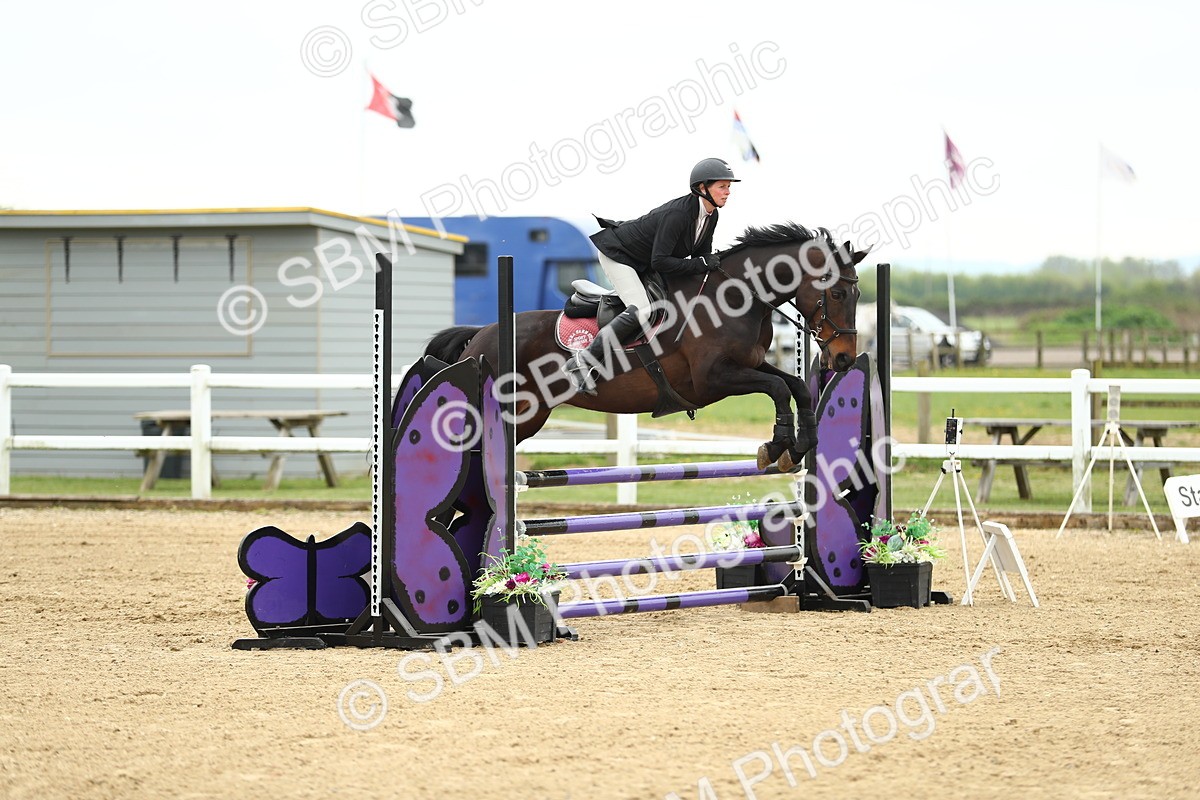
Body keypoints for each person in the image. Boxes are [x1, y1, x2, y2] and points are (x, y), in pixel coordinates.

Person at [563, 157, 738, 395]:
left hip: (644, 261)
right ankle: (583, 361)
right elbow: (661, 261)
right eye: (722, 186)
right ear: (702, 188)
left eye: (729, 186)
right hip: (620, 255)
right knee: (642, 310)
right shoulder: (678, 214)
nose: (728, 192)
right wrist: (700, 263)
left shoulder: (711, 216)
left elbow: (701, 256)